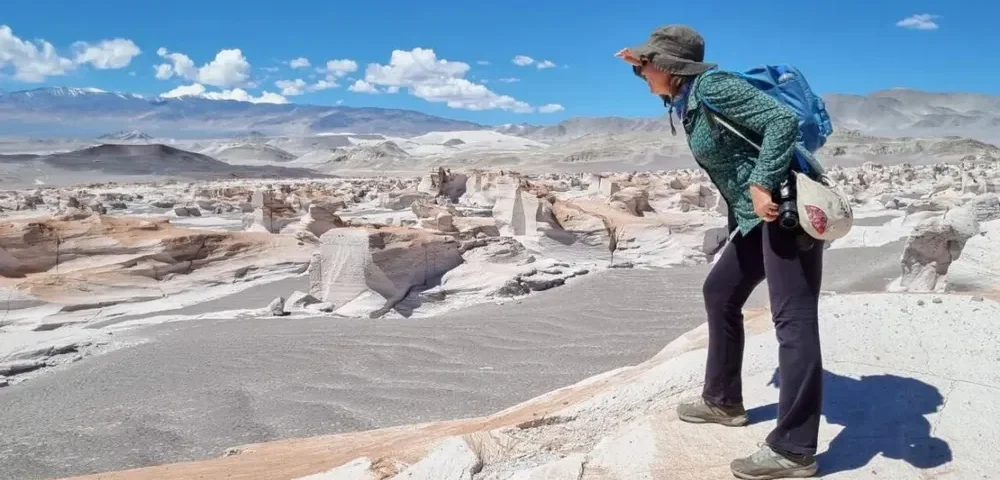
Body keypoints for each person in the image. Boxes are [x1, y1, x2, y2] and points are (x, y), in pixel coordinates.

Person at [616, 25, 824, 479]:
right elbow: (658, 82)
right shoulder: (687, 98)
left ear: (668, 66)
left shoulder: (714, 87)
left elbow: (781, 122)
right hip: (756, 217)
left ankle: (794, 449)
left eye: (647, 65)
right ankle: (723, 401)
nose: (642, 74)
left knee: (793, 319)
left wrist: (760, 182)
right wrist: (638, 63)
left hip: (783, 208)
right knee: (720, 292)